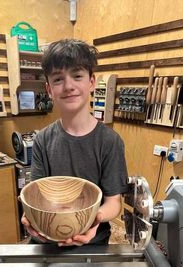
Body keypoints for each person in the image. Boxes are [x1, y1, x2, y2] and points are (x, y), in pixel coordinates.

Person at [21, 39, 129, 246]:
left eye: (77, 76)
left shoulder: (110, 141)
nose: (69, 86)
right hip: (47, 239)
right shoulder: (43, 139)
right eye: (58, 79)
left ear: (91, 82)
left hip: (92, 241)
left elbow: (114, 202)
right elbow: (36, 195)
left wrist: (94, 219)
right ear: (49, 89)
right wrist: (30, 218)